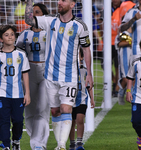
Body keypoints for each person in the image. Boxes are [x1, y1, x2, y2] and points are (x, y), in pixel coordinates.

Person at [25, 0, 94, 149]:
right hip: (50, 76)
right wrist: (29, 3)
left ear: (73, 4)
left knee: (66, 108)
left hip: (70, 77)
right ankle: (60, 143)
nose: (59, 2)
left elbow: (86, 49)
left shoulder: (80, 26)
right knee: (55, 111)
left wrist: (89, 74)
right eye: (59, 0)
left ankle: (62, 145)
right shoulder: (50, 21)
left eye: (63, 0)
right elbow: (29, 20)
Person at [0, 25, 30, 150]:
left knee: (18, 120)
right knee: (3, 120)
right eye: (6, 35)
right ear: (1, 39)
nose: (10, 37)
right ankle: (5, 144)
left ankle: (16, 140)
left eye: (12, 34)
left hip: (18, 94)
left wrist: (27, 93)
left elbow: (25, 74)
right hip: (2, 94)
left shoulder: (21, 54)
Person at [16, 3, 50, 150]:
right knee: (29, 110)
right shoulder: (24, 34)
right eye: (32, 12)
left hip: (46, 71)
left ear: (44, 15)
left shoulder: (50, 32)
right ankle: (36, 140)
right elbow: (17, 52)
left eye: (37, 12)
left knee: (42, 108)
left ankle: (39, 144)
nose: (33, 15)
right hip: (28, 71)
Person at [69, 48, 95, 150]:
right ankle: (72, 143)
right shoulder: (68, 71)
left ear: (81, 57)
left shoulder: (85, 71)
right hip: (70, 99)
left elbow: (89, 87)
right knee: (71, 122)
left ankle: (79, 142)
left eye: (77, 54)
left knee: (80, 119)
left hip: (82, 99)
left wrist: (92, 99)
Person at [116, 31, 132, 105]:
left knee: (133, 78)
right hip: (124, 58)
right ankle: (122, 95)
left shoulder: (137, 31)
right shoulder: (123, 33)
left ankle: (121, 94)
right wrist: (131, 42)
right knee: (126, 79)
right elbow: (119, 44)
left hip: (135, 57)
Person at [111, 0, 122, 97]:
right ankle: (114, 81)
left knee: (117, 65)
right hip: (108, 42)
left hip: (118, 42)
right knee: (104, 64)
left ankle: (116, 88)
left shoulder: (122, 9)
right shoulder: (106, 10)